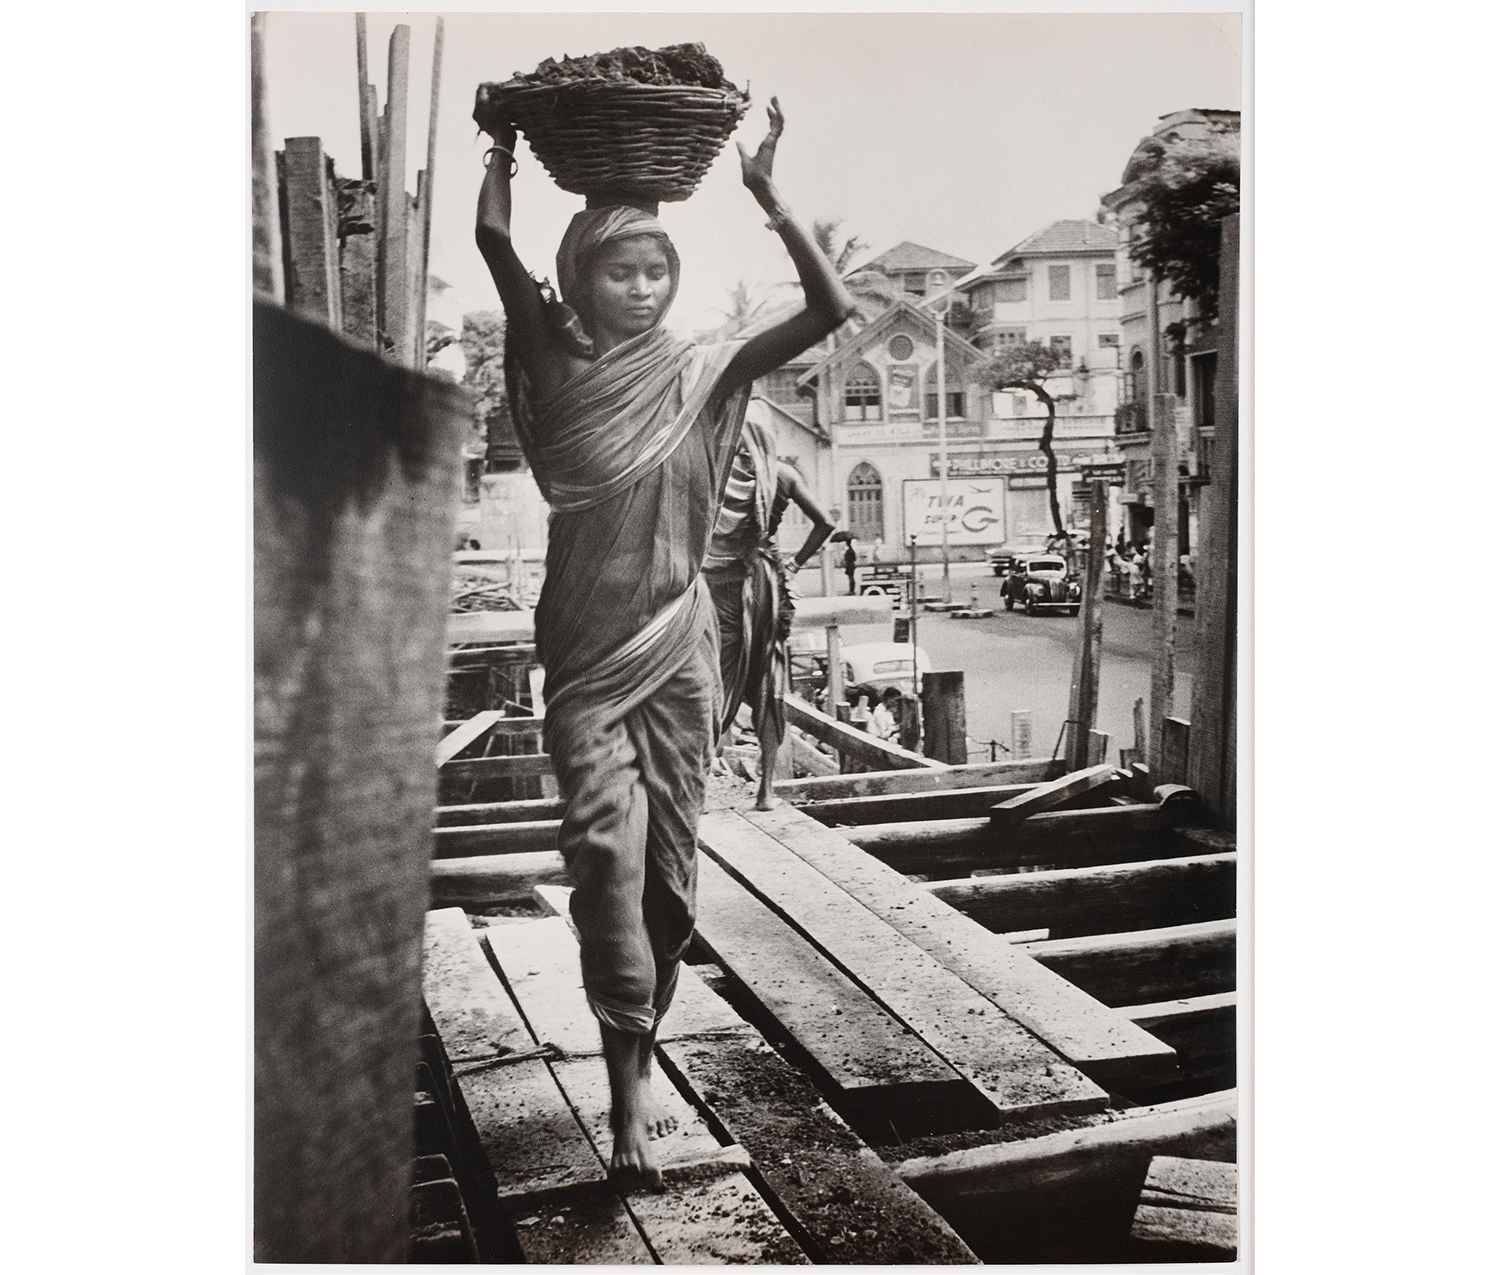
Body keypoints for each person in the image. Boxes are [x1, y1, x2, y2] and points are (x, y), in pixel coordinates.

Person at [475, 98, 855, 1191]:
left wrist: (772, 199)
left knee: (668, 879)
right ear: (582, 278)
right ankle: (629, 1078)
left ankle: (635, 1068)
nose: (642, 290)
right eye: (619, 273)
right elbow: (498, 246)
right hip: (589, 658)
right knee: (602, 858)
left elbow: (830, 309)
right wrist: (500, 155)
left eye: (657, 272)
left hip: (681, 648)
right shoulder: (553, 363)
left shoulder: (711, 368)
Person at [705, 432, 833, 811]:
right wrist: (794, 563)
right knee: (767, 679)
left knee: (714, 677)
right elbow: (824, 523)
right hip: (766, 584)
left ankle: (698, 792)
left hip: (719, 585)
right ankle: (766, 792)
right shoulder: (782, 475)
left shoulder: (714, 474)